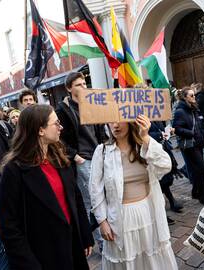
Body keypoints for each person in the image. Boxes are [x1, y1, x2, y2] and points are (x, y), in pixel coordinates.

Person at [0, 104, 94, 270]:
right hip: (41, 254)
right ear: (40, 130)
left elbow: (75, 197)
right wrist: (27, 263)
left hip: (71, 244)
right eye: (56, 123)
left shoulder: (59, 157)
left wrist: (85, 235)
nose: (61, 127)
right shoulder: (14, 170)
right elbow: (8, 226)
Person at [90, 115, 178, 270]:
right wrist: (102, 222)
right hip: (119, 218)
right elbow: (95, 189)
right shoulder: (102, 151)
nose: (115, 125)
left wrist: (145, 137)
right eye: (111, 120)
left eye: (119, 120)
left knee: (152, 260)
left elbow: (165, 165)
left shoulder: (143, 145)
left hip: (148, 213)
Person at [55, 71, 106, 250]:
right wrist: (75, 156)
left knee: (103, 196)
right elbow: (59, 138)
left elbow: (100, 129)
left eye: (84, 83)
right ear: (69, 88)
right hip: (82, 160)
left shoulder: (92, 102)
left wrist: (105, 147)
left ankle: (99, 238)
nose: (83, 87)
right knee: (90, 201)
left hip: (99, 155)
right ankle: (99, 243)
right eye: (78, 85)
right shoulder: (62, 109)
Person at [173, 86, 204, 204]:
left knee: (197, 170)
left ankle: (196, 192)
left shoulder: (194, 108)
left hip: (198, 143)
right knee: (201, 169)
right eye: (191, 95)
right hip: (190, 144)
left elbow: (199, 123)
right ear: (185, 97)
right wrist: (191, 133)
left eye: (194, 95)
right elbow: (177, 128)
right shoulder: (180, 111)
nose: (194, 97)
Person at [149, 121, 183, 217]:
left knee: (165, 179)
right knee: (159, 181)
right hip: (152, 153)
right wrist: (160, 135)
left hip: (163, 149)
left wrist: (167, 132)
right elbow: (143, 135)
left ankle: (171, 202)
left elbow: (161, 129)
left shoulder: (156, 117)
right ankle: (164, 208)